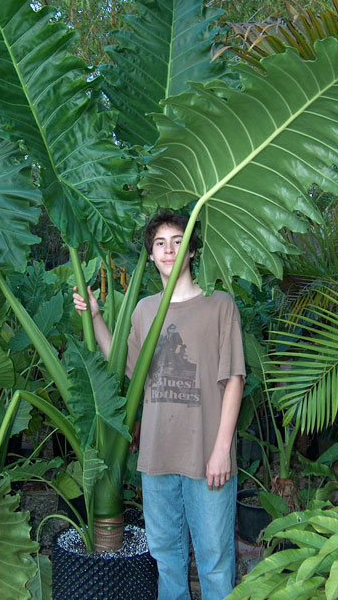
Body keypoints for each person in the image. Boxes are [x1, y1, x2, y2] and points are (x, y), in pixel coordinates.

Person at [73, 211, 245, 600]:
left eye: (177, 241)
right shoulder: (144, 310)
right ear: (151, 255)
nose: (169, 249)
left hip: (207, 459)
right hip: (156, 456)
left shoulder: (219, 305)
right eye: (160, 243)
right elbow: (129, 373)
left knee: (215, 561)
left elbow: (233, 379)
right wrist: (98, 319)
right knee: (166, 560)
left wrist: (221, 450)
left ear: (192, 250)